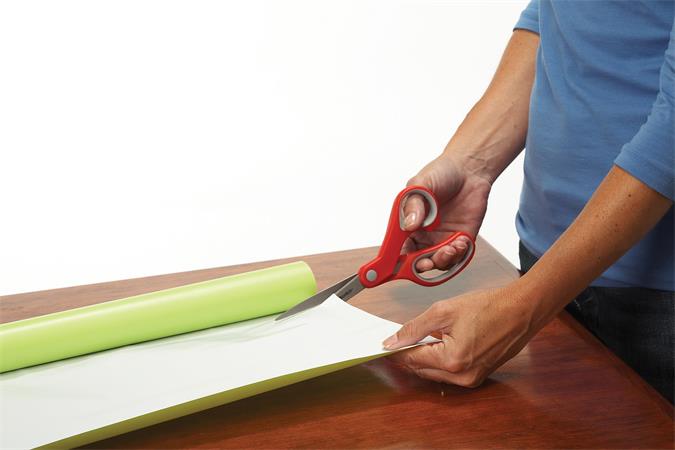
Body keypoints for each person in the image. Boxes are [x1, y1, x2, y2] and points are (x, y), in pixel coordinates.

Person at [382, 0, 674, 403]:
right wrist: (472, 164)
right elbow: (558, 18)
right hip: (544, 265)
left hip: (661, 304)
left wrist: (524, 306)